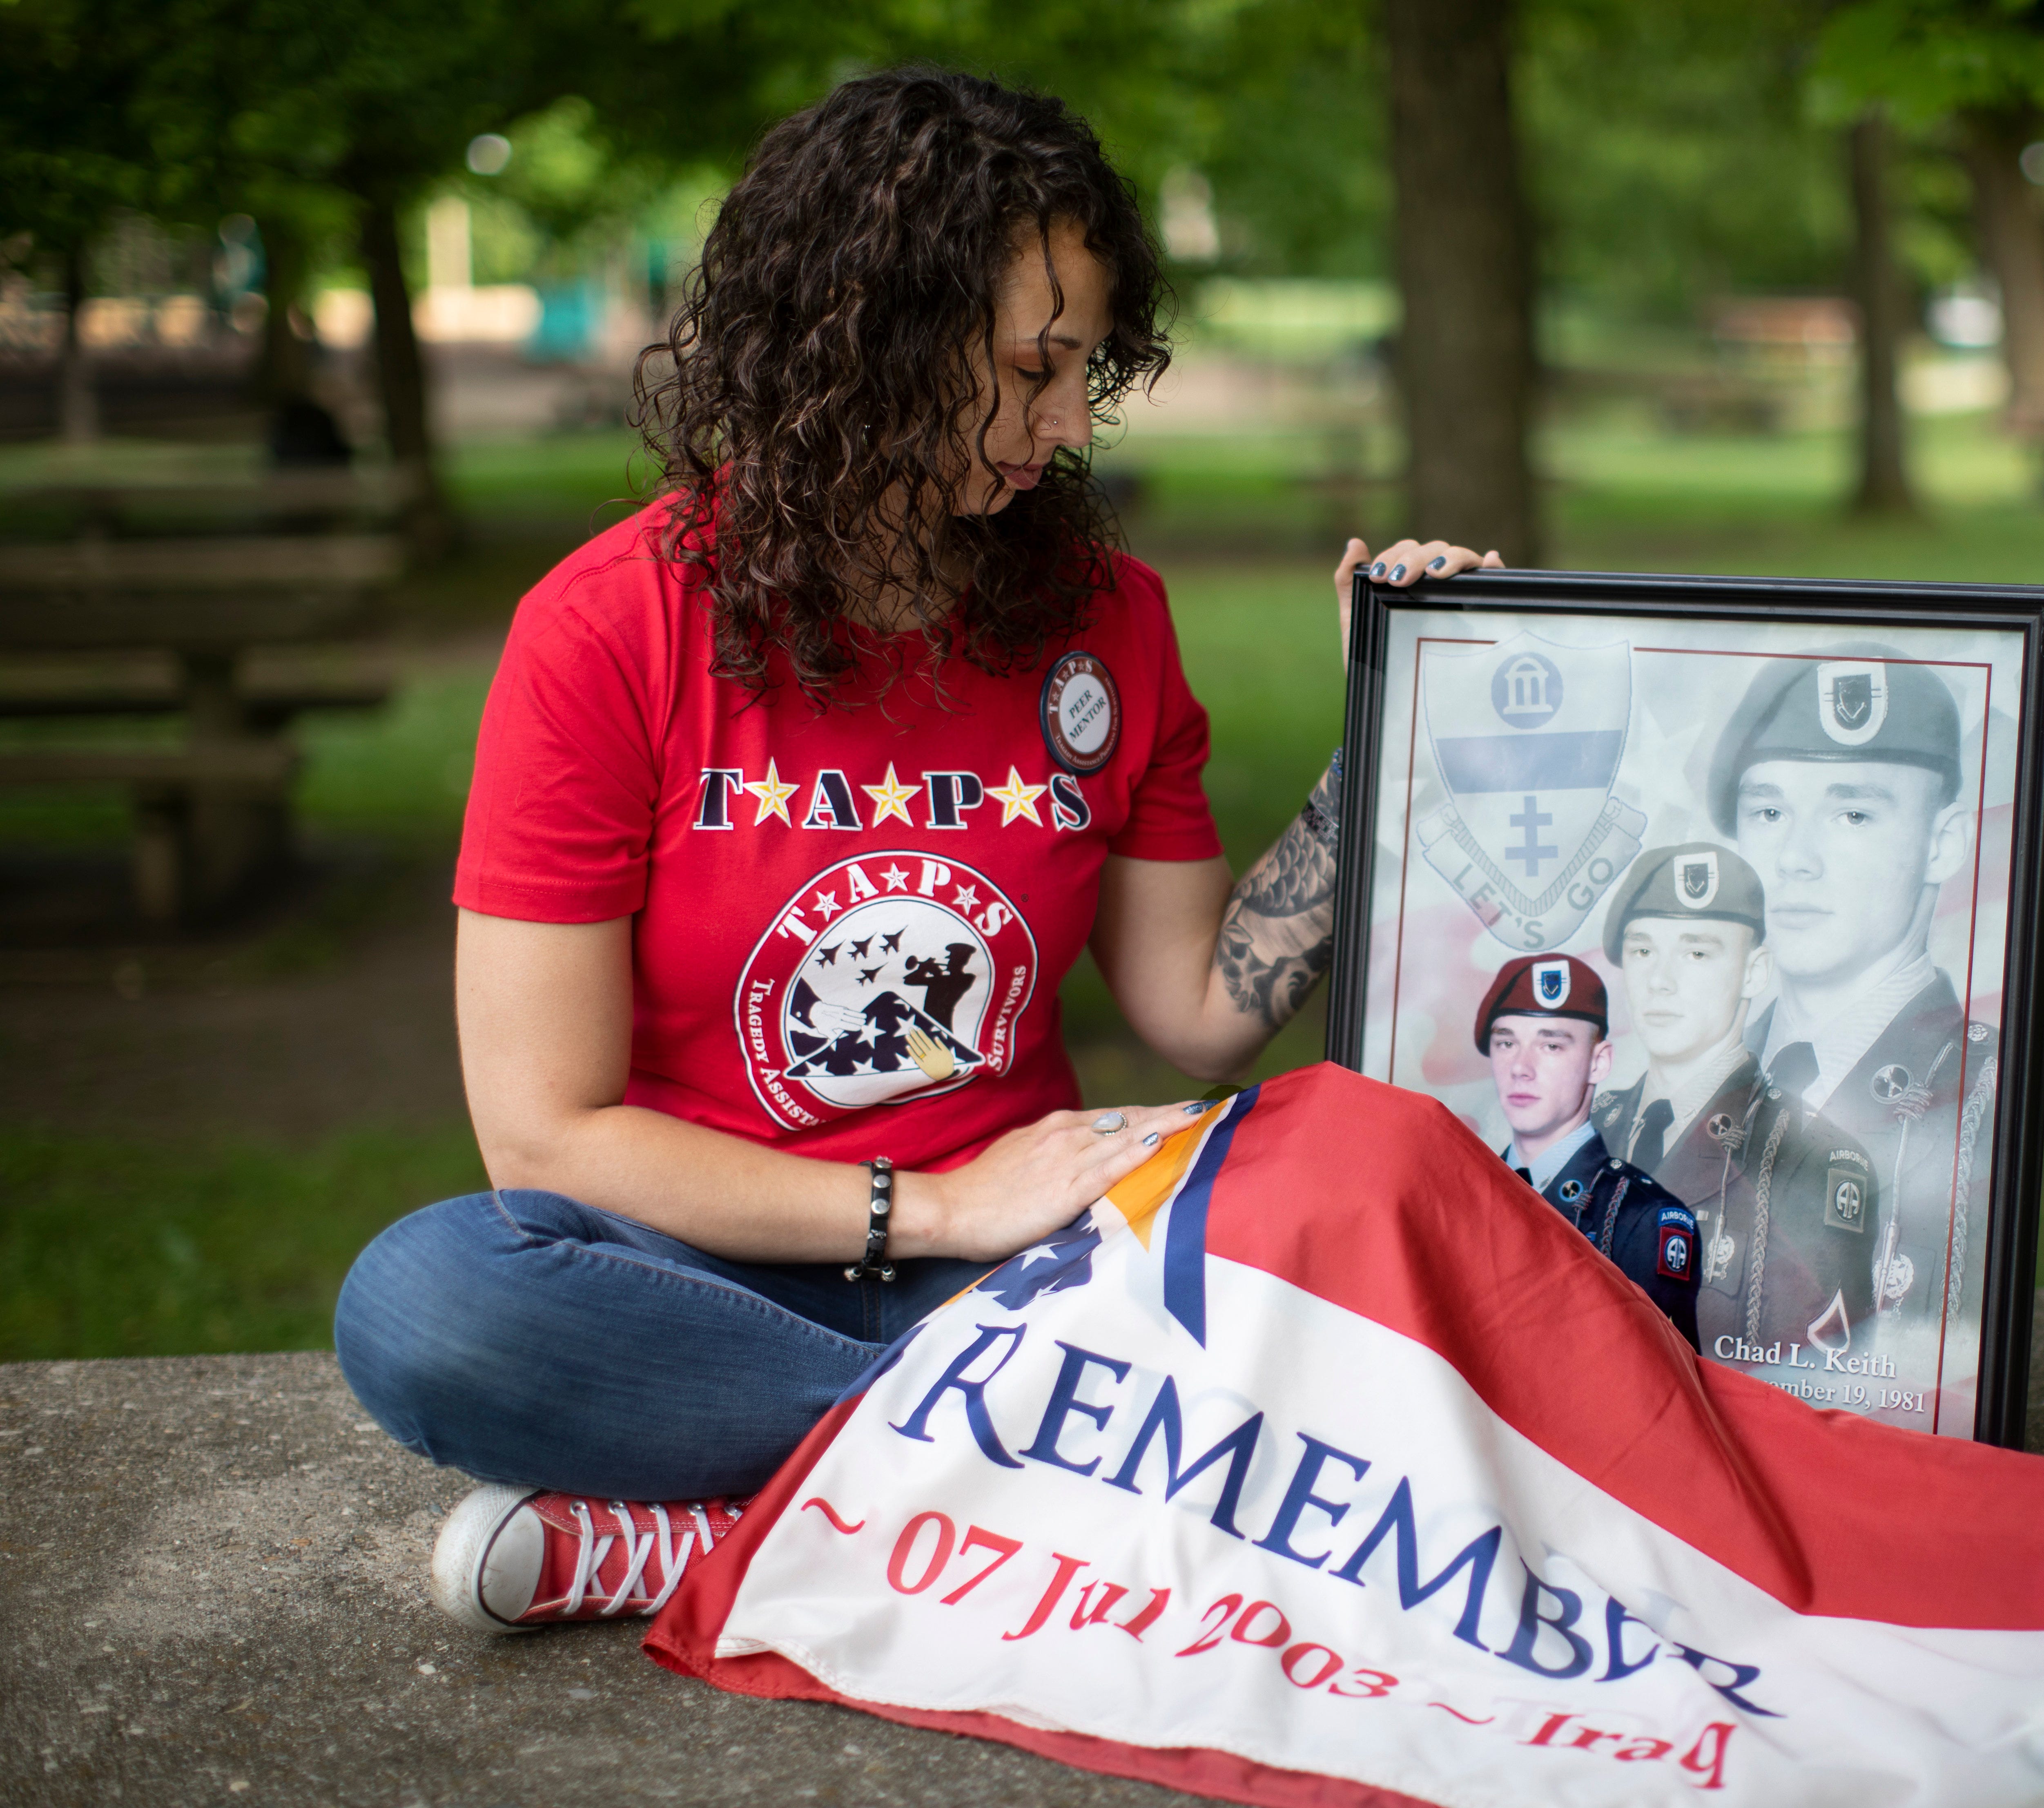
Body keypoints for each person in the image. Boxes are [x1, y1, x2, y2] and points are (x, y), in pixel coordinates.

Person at [330, 70, 1506, 1635]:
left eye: (1088, 372)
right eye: (1032, 371)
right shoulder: (608, 630)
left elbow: (1203, 1012)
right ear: (862, 338)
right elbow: (546, 1140)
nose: (1068, 427)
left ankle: (735, 1537)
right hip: (702, 1276)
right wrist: (932, 1208)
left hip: (1030, 1275)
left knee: (1372, 1180)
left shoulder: (1110, 622)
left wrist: (1383, 730)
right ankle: (1065, 1481)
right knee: (428, 1303)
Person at [1707, 652, 1997, 1340]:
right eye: (1770, 810)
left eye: (1854, 815)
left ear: (1942, 843)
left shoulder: (1987, 1100)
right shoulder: (1694, 1085)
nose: (1796, 858)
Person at [1588, 844, 1878, 1358]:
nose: (1660, 980)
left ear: (1754, 972)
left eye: (1696, 953)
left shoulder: (1809, 1160)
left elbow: (1813, 1384)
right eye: (1642, 950)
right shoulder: (1586, 1127)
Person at [1474, 953, 1700, 1347]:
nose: (1520, 1068)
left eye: (1551, 1046)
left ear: (1599, 1063)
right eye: (1507, 1042)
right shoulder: (1462, 1191)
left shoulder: (1642, 1218)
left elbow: (1658, 1392)